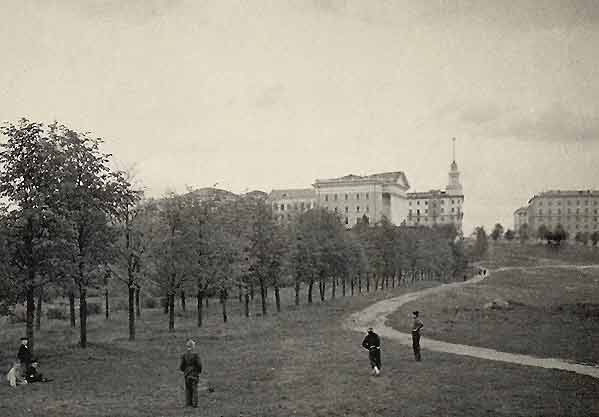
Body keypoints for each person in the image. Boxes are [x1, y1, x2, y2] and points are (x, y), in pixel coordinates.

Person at [179, 339, 202, 408]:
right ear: (193, 346)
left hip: (186, 374)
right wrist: (198, 371)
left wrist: (184, 370)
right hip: (194, 373)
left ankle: (188, 403)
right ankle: (195, 404)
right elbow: (199, 364)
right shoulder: (195, 355)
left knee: (188, 389)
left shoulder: (184, 355)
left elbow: (181, 366)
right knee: (194, 389)